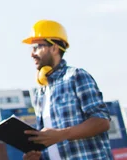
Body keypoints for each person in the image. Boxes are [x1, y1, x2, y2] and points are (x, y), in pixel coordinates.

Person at [21, 20, 112, 160]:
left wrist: (62, 134)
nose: (32, 54)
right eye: (31, 48)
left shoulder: (76, 76)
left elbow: (102, 121)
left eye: (37, 46)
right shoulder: (40, 93)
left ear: (54, 48)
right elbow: (48, 142)